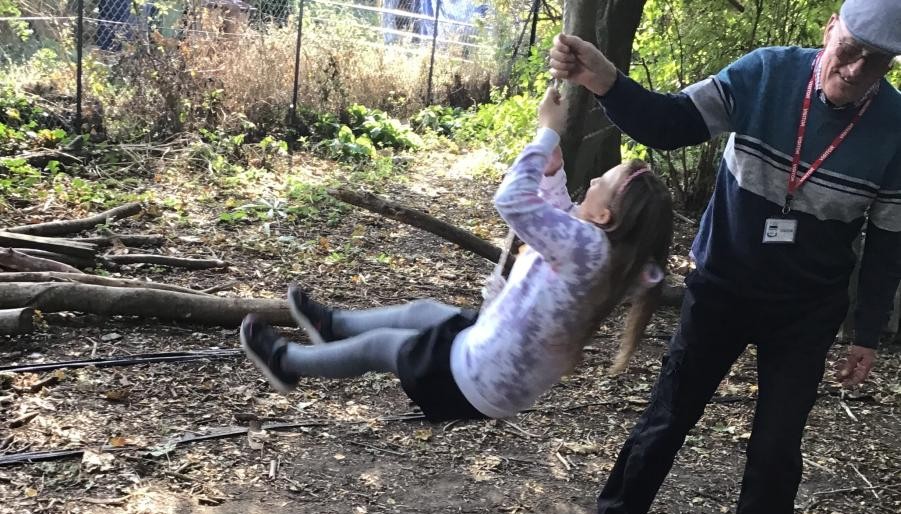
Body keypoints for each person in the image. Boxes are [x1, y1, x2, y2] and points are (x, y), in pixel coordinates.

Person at [548, 0, 901, 512]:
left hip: (807, 308)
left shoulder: (895, 128)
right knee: (667, 417)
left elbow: (889, 240)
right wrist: (605, 79)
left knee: (777, 448)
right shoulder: (765, 73)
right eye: (849, 50)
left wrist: (866, 333)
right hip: (723, 286)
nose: (855, 70)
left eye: (877, 63)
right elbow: (673, 125)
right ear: (830, 30)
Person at [239, 86, 673, 422]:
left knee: (384, 346)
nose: (594, 178)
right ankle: (331, 326)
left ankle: (286, 362)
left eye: (602, 182)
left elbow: (512, 200)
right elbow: (556, 218)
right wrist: (554, 171)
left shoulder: (588, 248)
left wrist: (546, 134)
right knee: (422, 312)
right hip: (491, 352)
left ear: (604, 216)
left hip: (476, 376)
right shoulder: (606, 255)